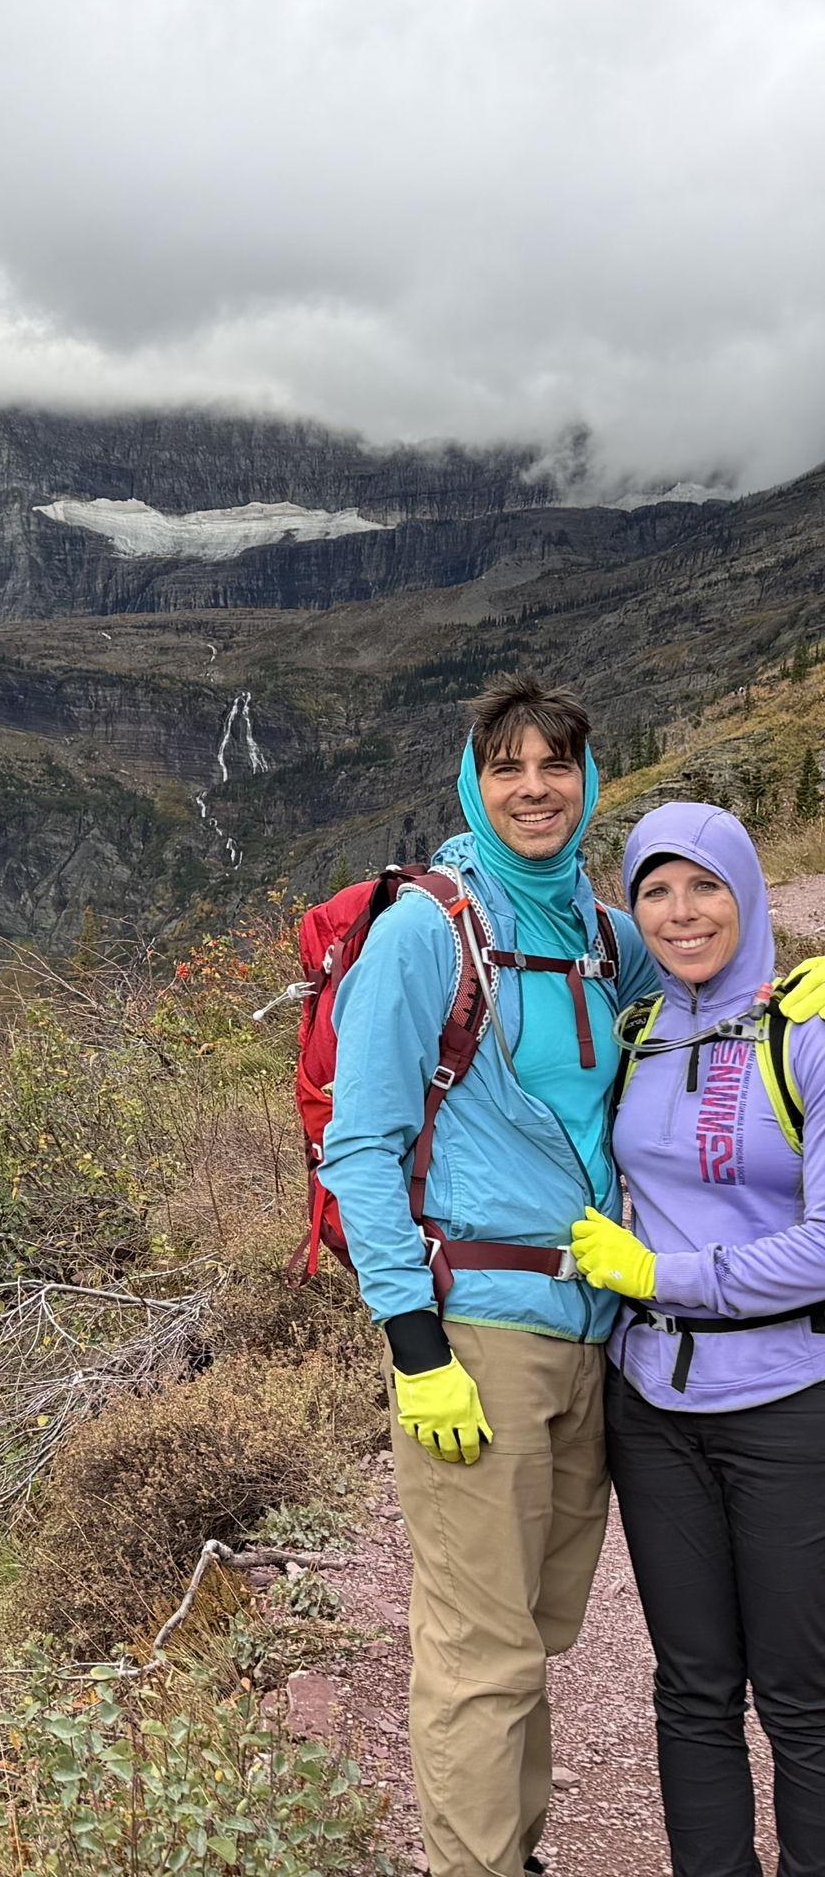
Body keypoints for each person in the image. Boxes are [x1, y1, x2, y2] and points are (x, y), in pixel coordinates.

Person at [322, 675, 658, 1877]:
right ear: (472, 779)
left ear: (585, 782)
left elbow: (682, 1052)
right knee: (478, 1645)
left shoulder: (602, 933)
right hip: (475, 1329)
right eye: (505, 765)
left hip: (591, 1334)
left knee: (534, 1629)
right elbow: (357, 1143)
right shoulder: (426, 927)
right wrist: (414, 1348)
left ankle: (507, 1850)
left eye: (554, 765)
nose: (532, 787)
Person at [570, 801, 825, 1877]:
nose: (679, 913)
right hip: (653, 1407)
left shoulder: (803, 1030)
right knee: (690, 1686)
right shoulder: (641, 1029)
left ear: (746, 891)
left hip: (784, 1400)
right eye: (653, 890)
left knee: (803, 1692)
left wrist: (661, 1275)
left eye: (703, 884)